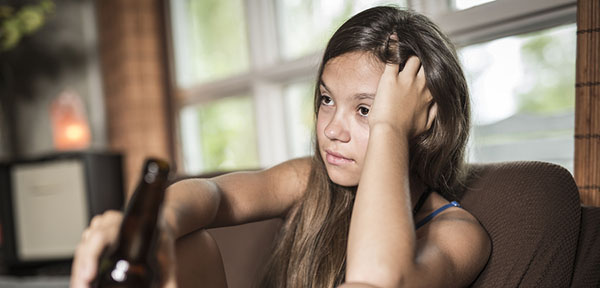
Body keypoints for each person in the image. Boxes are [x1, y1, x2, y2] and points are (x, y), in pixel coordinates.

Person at [71, 6, 491, 288]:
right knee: (187, 241)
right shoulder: (310, 180)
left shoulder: (457, 235)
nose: (332, 130)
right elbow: (215, 196)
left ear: (423, 121)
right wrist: (158, 224)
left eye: (365, 110)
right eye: (327, 100)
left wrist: (389, 129)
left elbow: (377, 279)